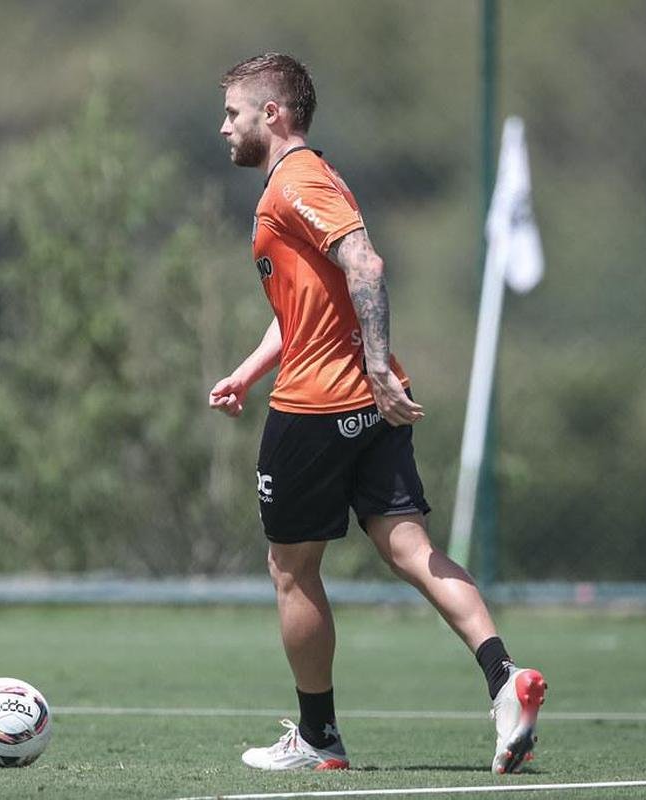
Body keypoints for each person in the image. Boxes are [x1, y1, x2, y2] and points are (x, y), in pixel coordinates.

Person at [208, 53, 546, 773]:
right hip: (365, 401)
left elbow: (364, 265)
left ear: (273, 114)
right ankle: (502, 681)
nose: (223, 127)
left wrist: (371, 362)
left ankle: (317, 738)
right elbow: (310, 304)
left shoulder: (294, 182)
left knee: (291, 568)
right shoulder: (310, 180)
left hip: (318, 406)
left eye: (233, 112)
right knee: (409, 550)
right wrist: (246, 370)